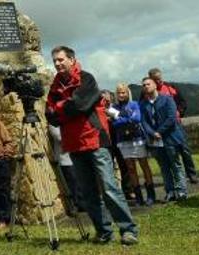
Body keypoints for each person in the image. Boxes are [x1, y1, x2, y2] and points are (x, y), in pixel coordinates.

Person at [45, 46, 138, 246]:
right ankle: (103, 231)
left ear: (72, 59)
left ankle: (128, 230)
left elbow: (81, 105)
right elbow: (49, 115)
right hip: (73, 143)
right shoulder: (55, 85)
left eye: (61, 59)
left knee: (109, 187)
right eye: (55, 61)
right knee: (87, 192)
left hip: (95, 139)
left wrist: (62, 108)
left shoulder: (86, 79)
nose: (57, 63)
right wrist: (66, 108)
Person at [139, 77, 187, 202]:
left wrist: (159, 131)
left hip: (170, 137)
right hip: (155, 141)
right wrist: (152, 133)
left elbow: (172, 118)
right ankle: (170, 191)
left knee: (175, 164)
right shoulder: (143, 104)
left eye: (148, 84)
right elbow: (143, 121)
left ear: (155, 85)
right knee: (164, 166)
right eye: (143, 85)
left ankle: (181, 190)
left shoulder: (167, 99)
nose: (145, 86)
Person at [148, 68, 198, 184]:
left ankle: (192, 174)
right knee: (170, 155)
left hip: (176, 126)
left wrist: (179, 112)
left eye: (160, 78)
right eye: (156, 79)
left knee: (185, 150)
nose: (159, 81)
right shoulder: (146, 92)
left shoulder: (171, 87)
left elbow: (182, 102)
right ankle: (177, 178)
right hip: (161, 129)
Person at [110, 83, 154, 206]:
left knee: (144, 166)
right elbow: (114, 124)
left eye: (123, 92)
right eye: (119, 92)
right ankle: (138, 197)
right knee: (130, 169)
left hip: (136, 138)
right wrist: (127, 119)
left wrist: (122, 120)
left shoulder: (134, 104)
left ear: (127, 93)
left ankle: (150, 195)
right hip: (123, 141)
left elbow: (137, 119)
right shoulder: (113, 107)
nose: (121, 95)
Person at [48, 124, 82, 213]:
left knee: (79, 180)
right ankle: (73, 205)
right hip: (64, 158)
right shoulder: (53, 123)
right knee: (71, 183)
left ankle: (82, 203)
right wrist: (73, 135)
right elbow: (58, 136)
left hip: (75, 155)